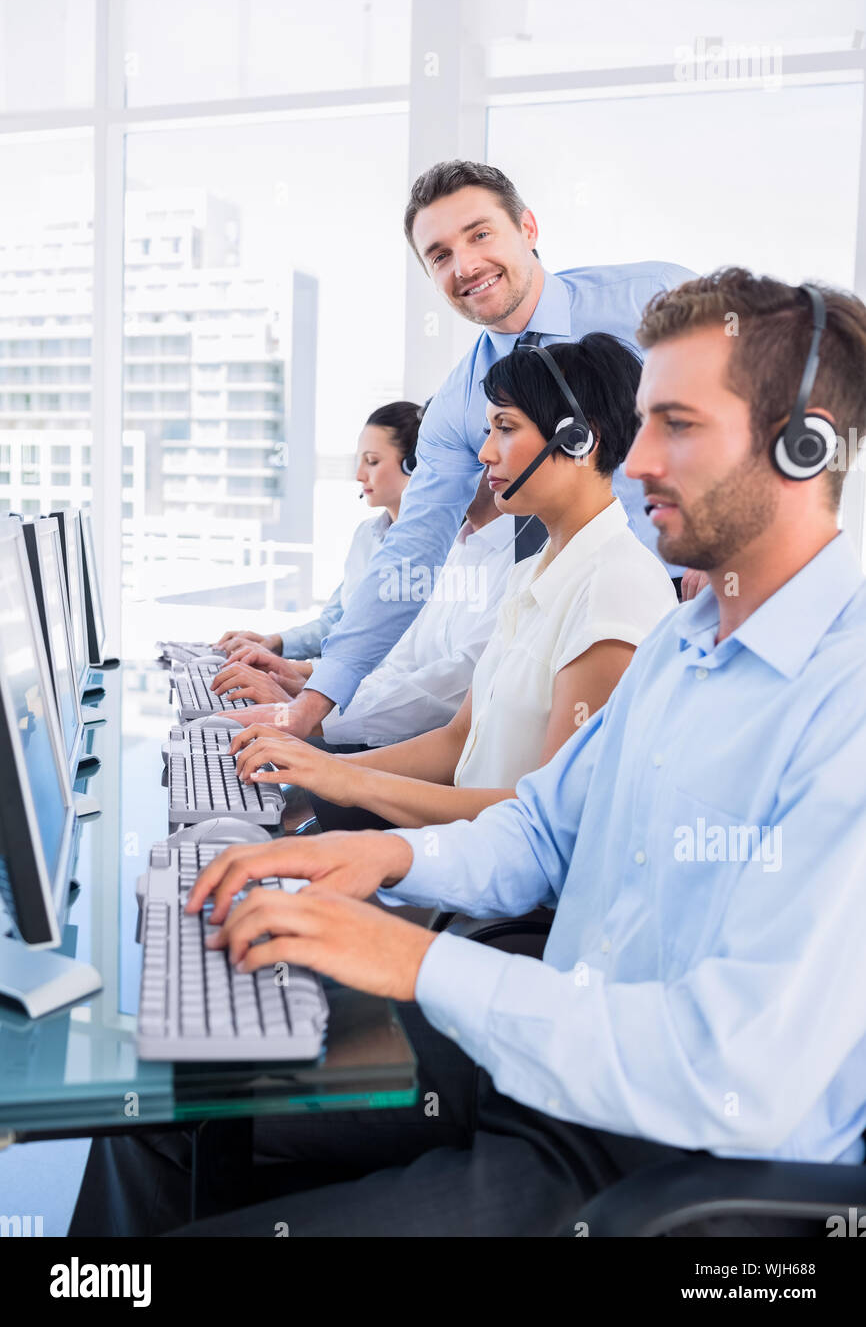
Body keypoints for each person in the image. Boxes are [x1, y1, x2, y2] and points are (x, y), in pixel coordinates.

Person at [69, 266, 866, 1239]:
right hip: (538, 1050)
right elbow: (539, 827)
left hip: (646, 1162)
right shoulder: (682, 643)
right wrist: (368, 855)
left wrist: (415, 960)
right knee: (161, 1090)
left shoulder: (842, 706)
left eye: (676, 424)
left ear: (801, 446)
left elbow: (730, 1068)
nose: (636, 458)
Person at [252, 160, 693, 742]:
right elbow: (412, 547)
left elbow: (762, 404)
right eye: (439, 255)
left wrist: (727, 554)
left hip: (697, 596)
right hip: (574, 622)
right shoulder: (458, 405)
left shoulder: (651, 300)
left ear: (528, 229)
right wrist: (316, 700)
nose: (466, 266)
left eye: (480, 234)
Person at [228, 335, 677, 832]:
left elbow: (552, 819)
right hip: (466, 858)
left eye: (504, 428)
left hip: (512, 898)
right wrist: (318, 775)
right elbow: (458, 740)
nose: (484, 453)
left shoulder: (615, 589)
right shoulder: (533, 572)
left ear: (579, 440)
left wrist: (345, 781)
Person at [215, 472, 516, 747]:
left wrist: (312, 710)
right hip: (392, 736)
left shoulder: (520, 561)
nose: (425, 470)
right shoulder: (453, 552)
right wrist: (311, 690)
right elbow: (398, 666)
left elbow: (456, 686)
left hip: (420, 755)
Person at [210, 401, 422, 700]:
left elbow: (389, 661)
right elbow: (335, 621)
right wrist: (274, 643)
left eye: (372, 461)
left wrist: (294, 670)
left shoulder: (435, 552)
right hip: (342, 693)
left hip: (373, 704)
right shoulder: (367, 536)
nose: (360, 474)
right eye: (359, 461)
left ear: (412, 464)